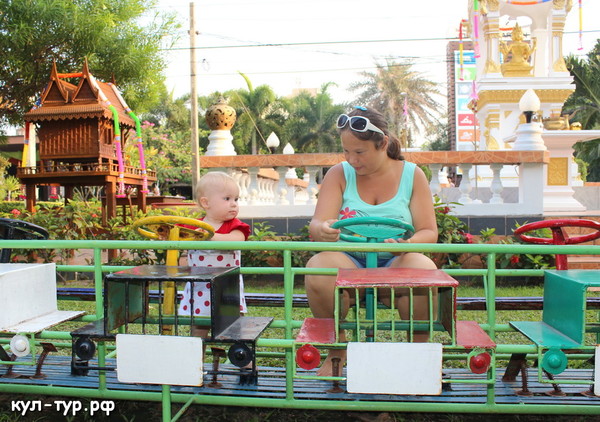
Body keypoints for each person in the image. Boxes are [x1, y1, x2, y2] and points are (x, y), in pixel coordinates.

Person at [304, 106, 438, 376]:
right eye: (346, 152)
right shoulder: (339, 174)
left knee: (425, 271)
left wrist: (408, 246)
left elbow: (427, 231)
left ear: (382, 144)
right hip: (348, 260)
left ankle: (417, 357)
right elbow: (318, 223)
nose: (352, 159)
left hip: (396, 258)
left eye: (360, 152)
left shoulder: (413, 175)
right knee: (318, 268)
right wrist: (323, 229)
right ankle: (337, 352)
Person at [178, 171, 250, 338]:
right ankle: (197, 361)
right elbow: (178, 241)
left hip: (227, 287)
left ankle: (244, 362)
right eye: (227, 199)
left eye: (236, 199)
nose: (234, 204)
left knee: (234, 327)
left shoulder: (235, 226)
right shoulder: (194, 227)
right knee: (199, 328)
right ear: (206, 202)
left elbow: (238, 240)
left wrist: (210, 235)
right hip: (200, 288)